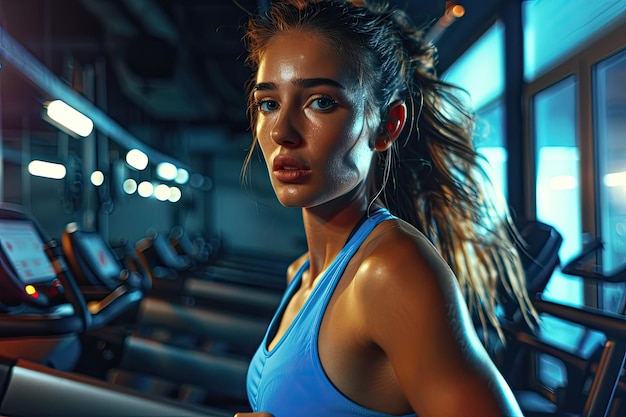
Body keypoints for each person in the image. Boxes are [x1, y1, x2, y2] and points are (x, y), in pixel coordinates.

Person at [236, 0, 535, 416]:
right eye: (268, 103)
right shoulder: (301, 273)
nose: (282, 131)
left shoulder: (390, 272)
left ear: (387, 124)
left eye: (320, 102)